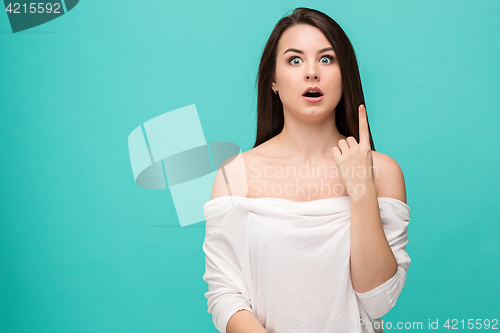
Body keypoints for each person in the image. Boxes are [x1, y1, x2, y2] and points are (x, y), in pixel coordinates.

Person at [202, 7, 410, 333]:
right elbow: (225, 295)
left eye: (326, 59)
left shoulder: (382, 171)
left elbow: (379, 300)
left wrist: (361, 190)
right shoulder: (235, 175)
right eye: (295, 60)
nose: (312, 73)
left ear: (345, 75)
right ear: (272, 79)